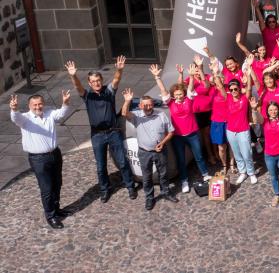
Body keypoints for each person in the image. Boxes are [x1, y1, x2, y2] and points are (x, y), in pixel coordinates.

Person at [65, 57, 138, 202]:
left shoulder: (109, 92)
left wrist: (119, 69)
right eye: (93, 81)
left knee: (122, 162)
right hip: (97, 135)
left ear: (101, 80)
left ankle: (130, 186)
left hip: (113, 132)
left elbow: (116, 80)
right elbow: (78, 87)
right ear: (90, 83)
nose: (96, 83)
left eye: (98, 80)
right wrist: (73, 75)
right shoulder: (87, 96)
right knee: (100, 166)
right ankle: (105, 189)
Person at [9, 91, 73, 229]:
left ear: (43, 104)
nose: (38, 107)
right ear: (29, 106)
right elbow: (15, 118)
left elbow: (62, 113)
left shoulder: (49, 114)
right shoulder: (25, 118)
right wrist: (14, 109)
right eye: (35, 105)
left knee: (57, 183)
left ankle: (56, 209)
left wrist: (65, 102)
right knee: (47, 188)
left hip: (55, 154)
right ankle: (50, 216)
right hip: (38, 159)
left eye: (40, 104)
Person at [150, 64, 212, 193]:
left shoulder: (189, 100)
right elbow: (163, 91)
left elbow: (190, 88)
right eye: (176, 94)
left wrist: (190, 75)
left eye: (180, 94)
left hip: (192, 134)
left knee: (199, 156)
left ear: (184, 93)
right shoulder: (170, 102)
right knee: (181, 159)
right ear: (174, 95)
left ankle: (205, 174)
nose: (179, 96)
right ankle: (184, 180)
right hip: (178, 136)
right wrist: (157, 77)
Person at [120, 89, 178, 210]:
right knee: (146, 177)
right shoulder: (137, 116)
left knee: (163, 173)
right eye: (145, 105)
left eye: (150, 104)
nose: (148, 107)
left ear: (153, 104)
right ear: (140, 106)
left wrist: (163, 143)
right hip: (144, 152)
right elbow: (124, 113)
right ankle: (149, 197)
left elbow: (171, 132)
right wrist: (127, 101)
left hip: (160, 150)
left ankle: (166, 192)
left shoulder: (161, 115)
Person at [255, 100, 279, 207]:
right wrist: (254, 109)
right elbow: (257, 118)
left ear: (278, 110)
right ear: (267, 111)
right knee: (273, 176)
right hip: (269, 155)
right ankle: (277, 194)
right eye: (270, 110)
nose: (273, 111)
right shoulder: (265, 121)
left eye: (275, 109)